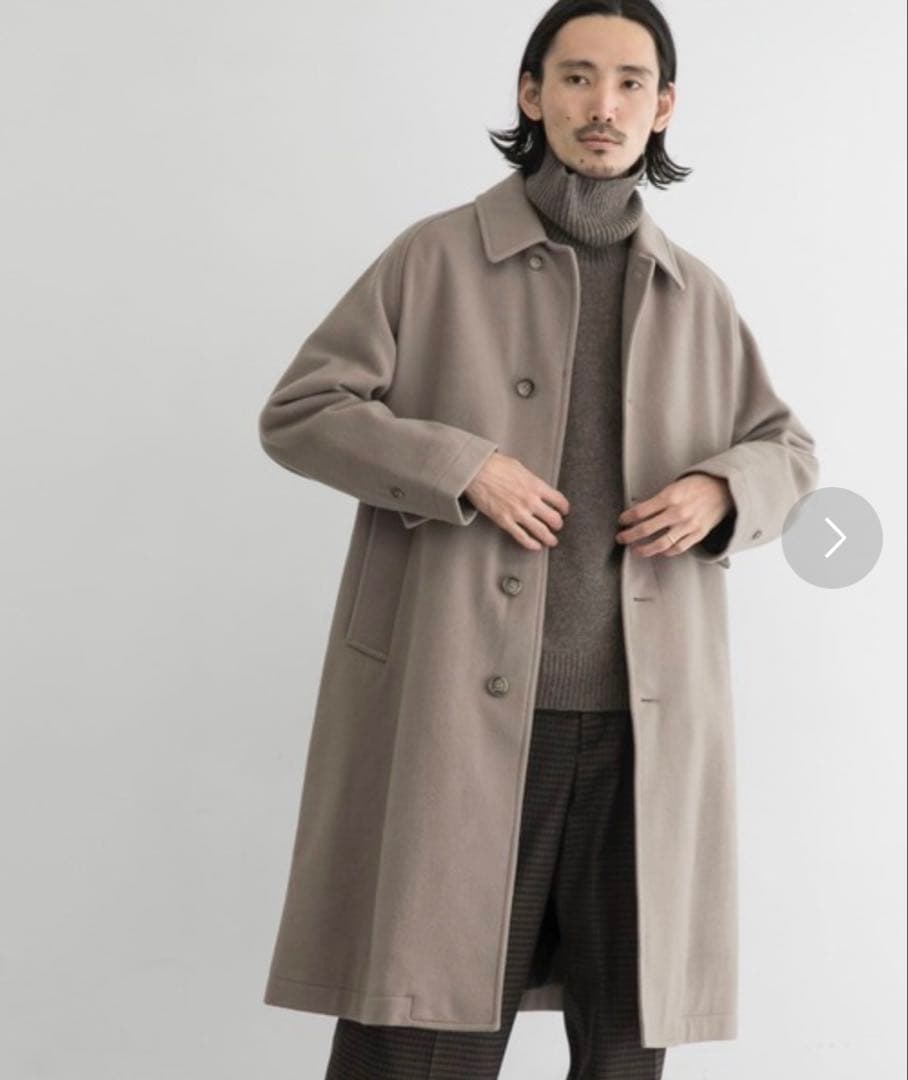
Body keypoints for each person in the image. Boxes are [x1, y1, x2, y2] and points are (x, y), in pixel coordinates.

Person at [257, 1, 820, 1077]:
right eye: (574, 77)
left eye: (628, 82)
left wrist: (720, 488)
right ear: (531, 95)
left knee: (623, 1046)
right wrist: (458, 465)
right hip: (459, 717)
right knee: (420, 1034)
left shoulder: (693, 293)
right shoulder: (433, 258)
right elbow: (301, 412)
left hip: (641, 730)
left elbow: (785, 449)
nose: (601, 104)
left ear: (662, 107)